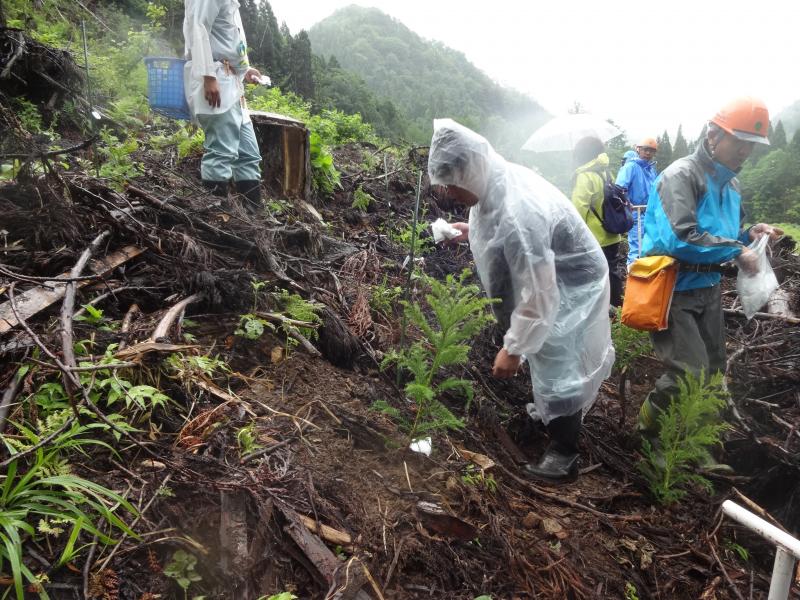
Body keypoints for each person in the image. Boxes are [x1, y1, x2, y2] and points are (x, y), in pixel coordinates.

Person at [429, 119, 615, 482]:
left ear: (471, 170)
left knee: (557, 354)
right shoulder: (493, 182)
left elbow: (539, 293)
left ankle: (564, 454)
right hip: (550, 275)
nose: (449, 193)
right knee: (544, 348)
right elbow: (494, 230)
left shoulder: (518, 210)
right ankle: (552, 413)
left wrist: (514, 348)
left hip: (573, 283)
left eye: (451, 183)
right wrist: (469, 232)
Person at [638, 97, 783, 447]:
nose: (745, 152)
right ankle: (648, 437)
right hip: (673, 286)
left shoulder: (731, 185)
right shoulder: (681, 175)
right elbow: (679, 236)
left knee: (715, 369)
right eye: (740, 142)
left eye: (752, 145)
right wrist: (736, 250)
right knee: (688, 371)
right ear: (714, 135)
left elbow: (729, 233)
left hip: (709, 285)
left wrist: (751, 234)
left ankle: (690, 443)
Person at [183, 0, 267, 211]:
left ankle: (254, 215)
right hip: (215, 80)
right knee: (221, 151)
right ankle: (218, 216)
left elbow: (226, 38)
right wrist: (208, 76)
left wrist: (244, 69)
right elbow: (198, 28)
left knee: (248, 154)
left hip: (232, 83)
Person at [570, 136, 624, 308]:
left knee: (592, 276)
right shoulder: (606, 172)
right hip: (612, 233)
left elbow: (579, 208)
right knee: (612, 271)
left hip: (593, 237)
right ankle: (616, 308)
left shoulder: (585, 176)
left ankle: (598, 312)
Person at [616, 137, 658, 265]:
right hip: (636, 213)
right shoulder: (631, 167)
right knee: (637, 248)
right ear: (638, 149)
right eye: (646, 150)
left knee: (648, 248)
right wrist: (628, 204)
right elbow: (620, 188)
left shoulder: (650, 169)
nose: (648, 153)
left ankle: (646, 280)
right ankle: (633, 279)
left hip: (649, 213)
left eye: (651, 151)